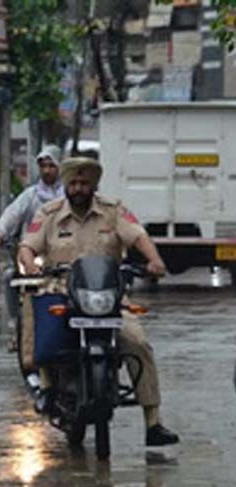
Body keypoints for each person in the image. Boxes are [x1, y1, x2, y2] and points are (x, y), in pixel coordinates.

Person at [18, 157, 180, 447]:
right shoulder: (49, 213)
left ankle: (153, 422)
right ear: (66, 185)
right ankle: (46, 387)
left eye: (85, 183)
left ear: (94, 186)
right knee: (42, 331)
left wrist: (155, 261)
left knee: (138, 343)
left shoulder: (112, 210)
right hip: (62, 291)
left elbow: (138, 237)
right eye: (74, 183)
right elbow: (28, 246)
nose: (79, 188)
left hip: (108, 296)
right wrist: (30, 265)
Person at [0, 145, 64, 348]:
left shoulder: (69, 196)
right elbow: (12, 214)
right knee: (10, 277)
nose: (47, 171)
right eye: (43, 166)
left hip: (64, 253)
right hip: (33, 253)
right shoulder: (30, 195)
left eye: (51, 166)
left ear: (60, 168)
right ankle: (16, 325)